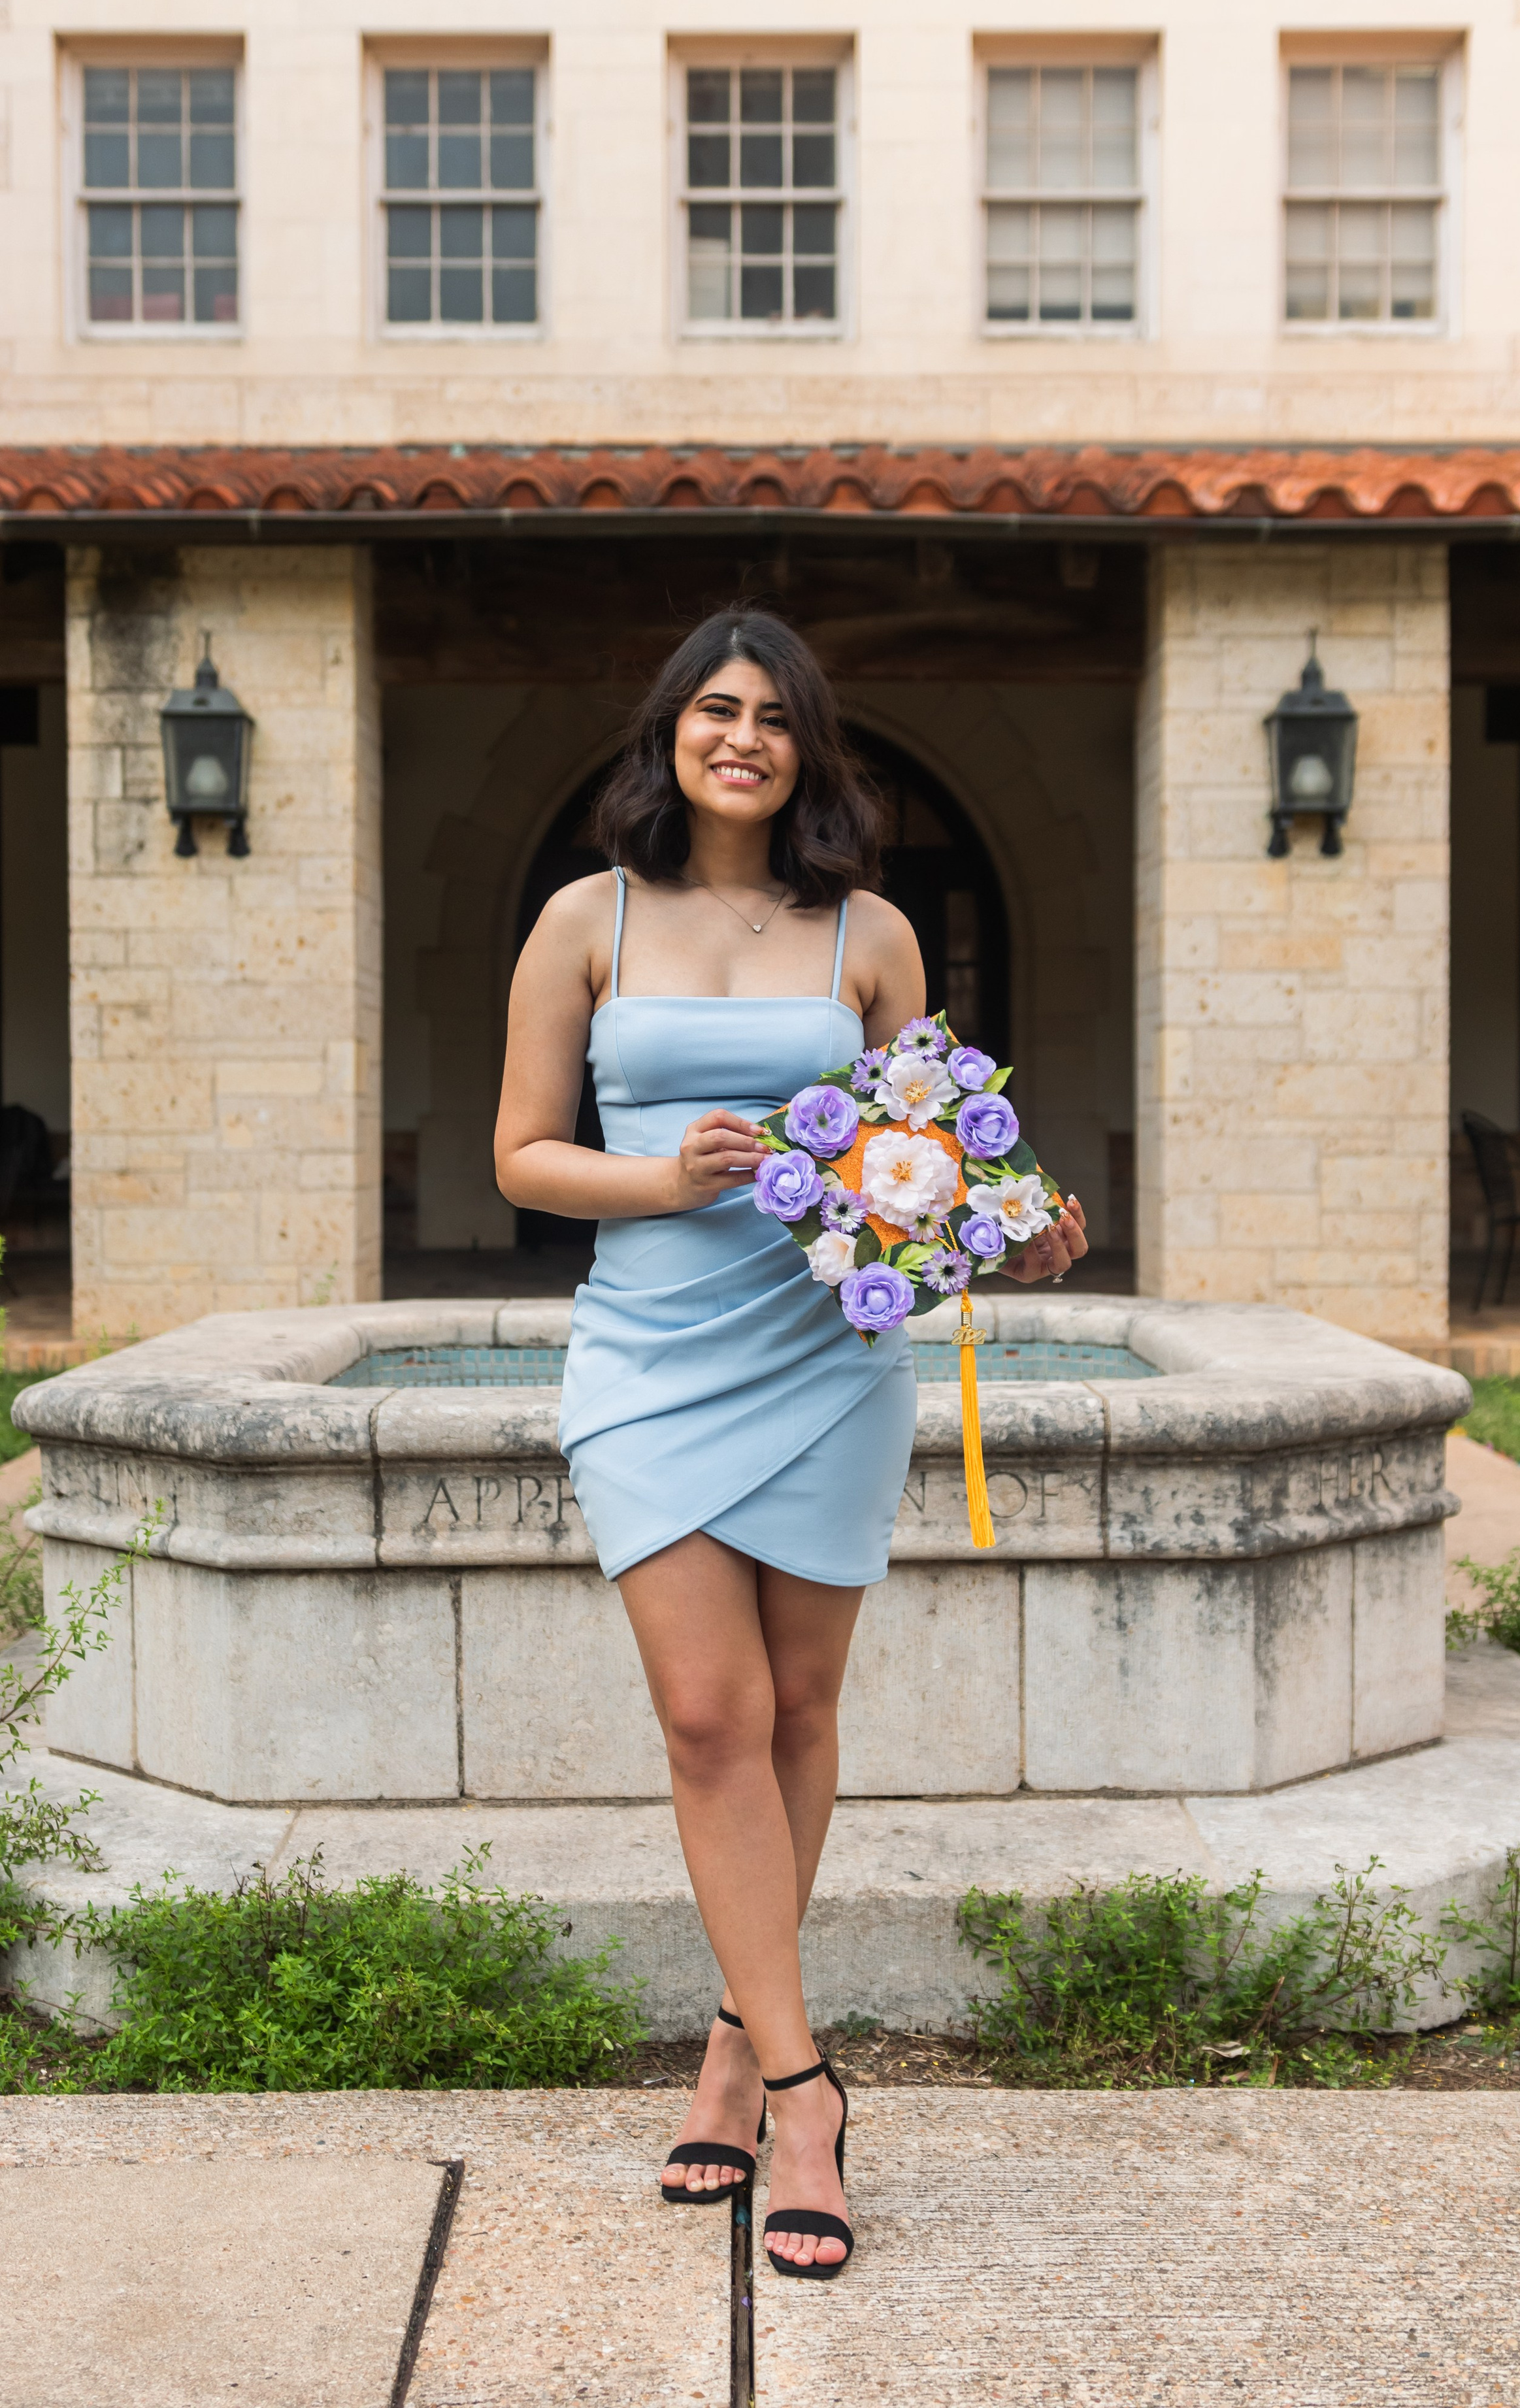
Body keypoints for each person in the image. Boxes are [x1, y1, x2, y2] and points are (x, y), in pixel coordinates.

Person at [495, 608, 1089, 2280]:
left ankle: (732, 2057)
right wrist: (656, 1177)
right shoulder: (582, 918)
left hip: (829, 1356)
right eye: (713, 708)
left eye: (771, 716)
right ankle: (810, 2091)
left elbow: (924, 1164)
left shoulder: (871, 935)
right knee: (710, 1717)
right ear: (668, 733)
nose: (740, 737)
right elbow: (521, 1154)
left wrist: (1010, 1226)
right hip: (648, 1351)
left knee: (801, 1711)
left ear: (806, 749)